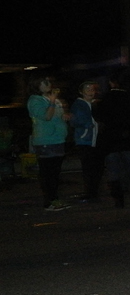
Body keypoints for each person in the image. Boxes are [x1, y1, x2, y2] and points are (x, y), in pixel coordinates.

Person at [93, 69, 130, 207]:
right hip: (129, 138)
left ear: (112, 83)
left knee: (113, 171)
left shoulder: (106, 99)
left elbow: (99, 115)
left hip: (111, 139)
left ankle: (119, 201)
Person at [26, 75, 70, 211]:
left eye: (48, 81)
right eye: (44, 82)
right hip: (45, 141)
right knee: (48, 173)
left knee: (55, 173)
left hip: (58, 139)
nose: (48, 84)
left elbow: (58, 115)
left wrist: (65, 115)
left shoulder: (51, 98)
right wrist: (52, 101)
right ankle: (49, 201)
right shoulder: (35, 100)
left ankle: (55, 199)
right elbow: (47, 116)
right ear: (36, 85)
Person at [70, 80, 103, 202]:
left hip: (97, 140)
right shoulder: (78, 105)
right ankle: (89, 192)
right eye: (87, 89)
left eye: (92, 89)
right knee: (88, 168)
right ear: (81, 92)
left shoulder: (96, 104)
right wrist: (88, 124)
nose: (90, 92)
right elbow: (74, 121)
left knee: (97, 168)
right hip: (84, 141)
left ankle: (94, 192)